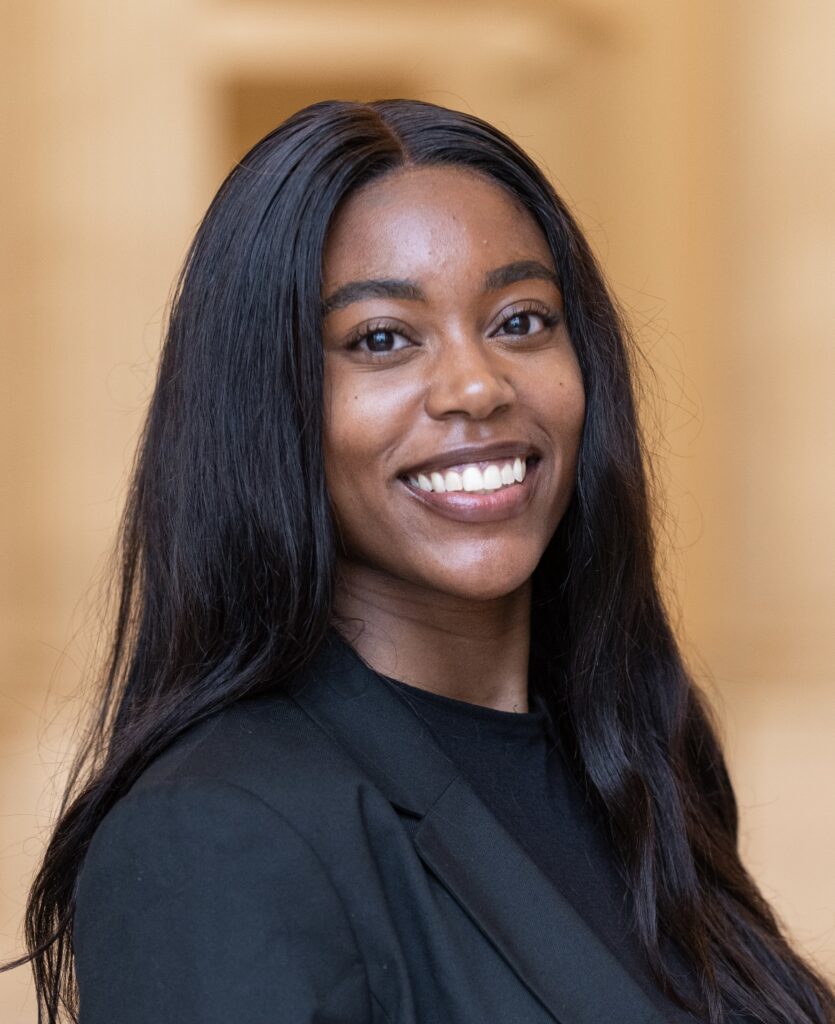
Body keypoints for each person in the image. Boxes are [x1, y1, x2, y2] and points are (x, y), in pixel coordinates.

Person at [5, 99, 833, 1024]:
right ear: (268, 406)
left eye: (520, 320)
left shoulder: (641, 756)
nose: (477, 384)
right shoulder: (215, 834)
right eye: (381, 340)